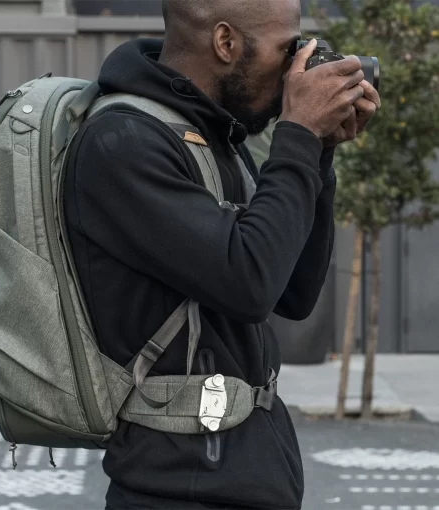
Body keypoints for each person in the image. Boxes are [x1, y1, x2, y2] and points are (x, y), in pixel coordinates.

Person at [63, 0, 381, 508]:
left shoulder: (214, 138)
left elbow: (292, 292)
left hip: (236, 481)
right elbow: (249, 283)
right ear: (225, 42)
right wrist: (298, 135)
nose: (295, 67)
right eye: (287, 49)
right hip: (176, 489)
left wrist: (318, 153)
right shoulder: (123, 142)